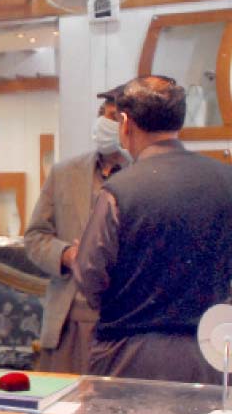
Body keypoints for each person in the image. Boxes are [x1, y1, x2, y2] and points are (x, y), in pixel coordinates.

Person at [74, 75, 232, 383]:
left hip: (126, 357)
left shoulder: (119, 190)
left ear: (125, 123)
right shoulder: (226, 181)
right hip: (210, 354)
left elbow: (90, 277)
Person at [24, 86, 129, 373]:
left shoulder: (144, 175)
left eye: (118, 118)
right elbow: (35, 237)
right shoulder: (64, 173)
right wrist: (68, 254)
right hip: (67, 319)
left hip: (122, 322)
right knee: (59, 408)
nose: (111, 124)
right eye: (106, 116)